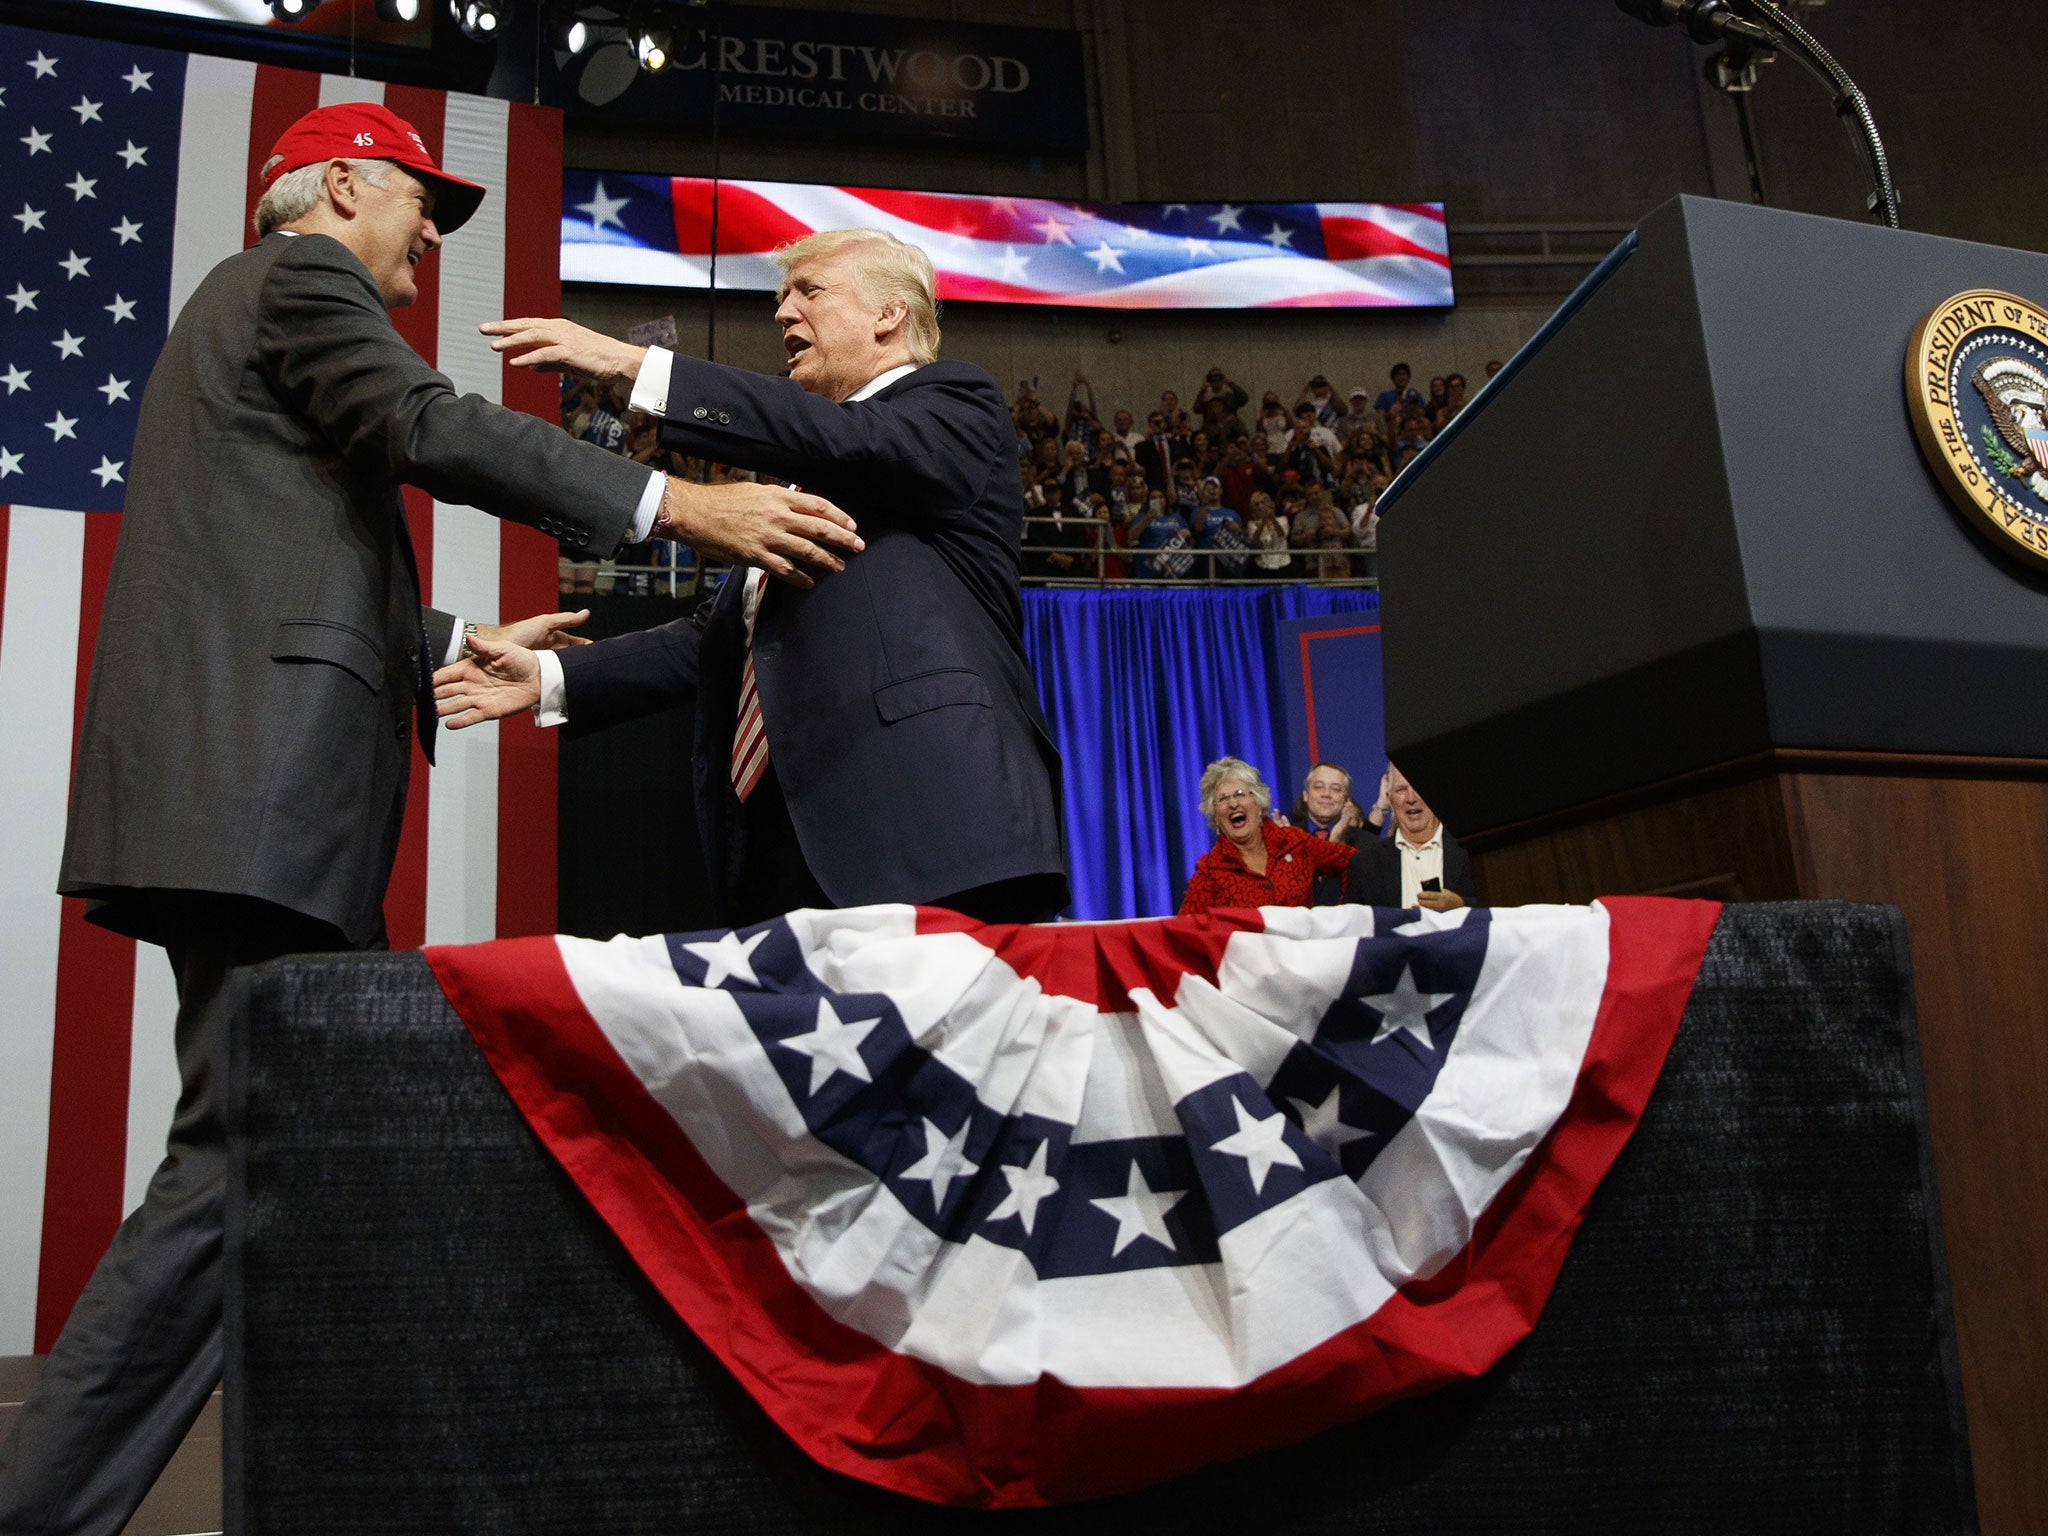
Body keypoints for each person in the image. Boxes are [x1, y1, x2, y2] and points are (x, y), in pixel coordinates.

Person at [3, 101, 859, 1536]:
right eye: (418, 205)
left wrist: (446, 637)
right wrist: (675, 504)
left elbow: (273, 560)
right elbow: (421, 423)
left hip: (246, 793)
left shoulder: (248, 315)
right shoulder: (298, 279)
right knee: (242, 1160)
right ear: (342, 184)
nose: (425, 245)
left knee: (276, 1161)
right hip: (255, 801)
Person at [440, 228, 1070, 926]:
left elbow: (846, 438)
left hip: (931, 823)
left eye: (809, 290)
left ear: (889, 314)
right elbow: (716, 639)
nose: (781, 312)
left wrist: (634, 366)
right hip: (790, 850)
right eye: (782, 296)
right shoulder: (805, 482)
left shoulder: (953, 404)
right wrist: (549, 677)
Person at [1179, 757, 1357, 915]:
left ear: (1258, 803)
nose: (1233, 803)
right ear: (1216, 816)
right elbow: (1184, 932)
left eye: (1240, 794)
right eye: (1223, 799)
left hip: (1301, 951)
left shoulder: (1293, 842)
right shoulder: (1210, 871)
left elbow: (1356, 862)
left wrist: (1341, 916)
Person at [1347, 764, 1471, 910]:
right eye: (1401, 790)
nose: (1411, 798)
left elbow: (1499, 907)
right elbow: (1354, 923)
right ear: (1389, 800)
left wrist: (1461, 905)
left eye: (1419, 787)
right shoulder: (1366, 863)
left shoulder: (1470, 850)